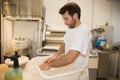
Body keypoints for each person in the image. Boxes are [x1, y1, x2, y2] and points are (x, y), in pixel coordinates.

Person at [40, 2, 92, 80]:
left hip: (79, 75)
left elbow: (69, 58)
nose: (64, 22)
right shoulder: (70, 28)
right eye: (64, 19)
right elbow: (65, 43)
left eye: (66, 19)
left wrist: (49, 65)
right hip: (69, 73)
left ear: (75, 16)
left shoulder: (84, 31)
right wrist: (56, 55)